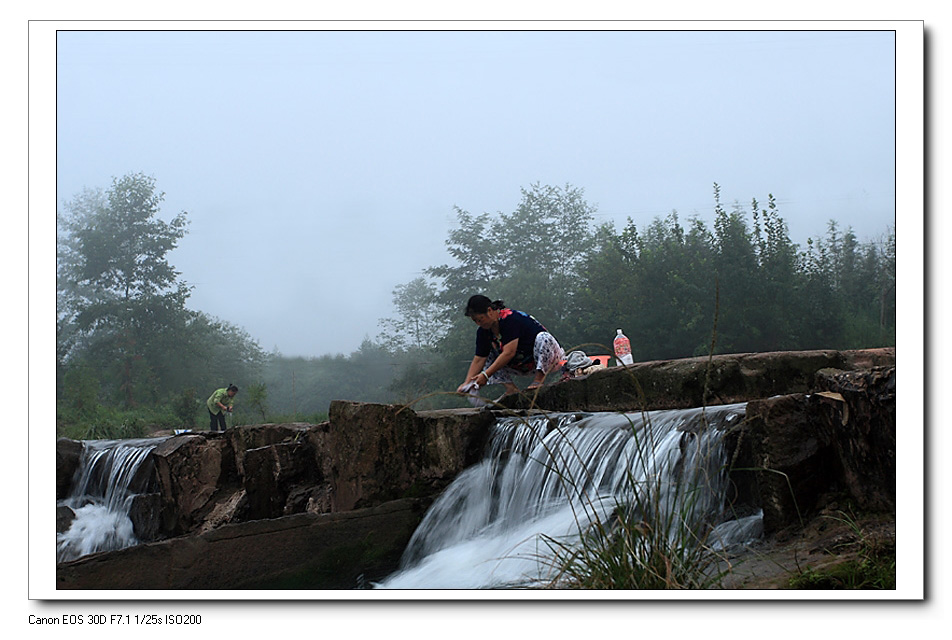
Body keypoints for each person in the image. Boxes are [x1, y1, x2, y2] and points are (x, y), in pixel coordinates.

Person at [456, 295, 565, 398]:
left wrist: (485, 375)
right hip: (521, 366)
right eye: (476, 321)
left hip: (548, 360)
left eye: (480, 319)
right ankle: (511, 388)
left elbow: (509, 352)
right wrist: (467, 383)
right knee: (488, 354)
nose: (479, 324)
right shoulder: (483, 332)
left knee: (543, 338)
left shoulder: (510, 319)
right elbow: (479, 359)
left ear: (489, 311)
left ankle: (538, 380)